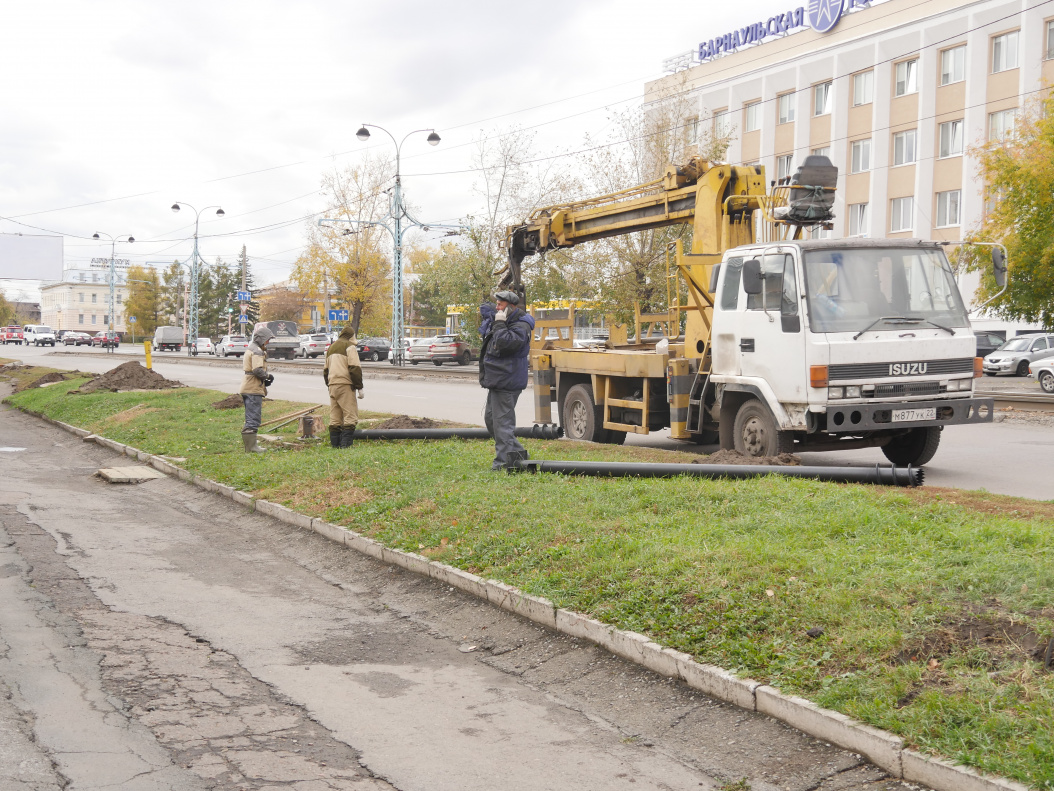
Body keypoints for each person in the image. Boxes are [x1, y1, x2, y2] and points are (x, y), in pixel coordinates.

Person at [479, 290, 536, 471]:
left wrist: (499, 324)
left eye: (500, 305)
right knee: (491, 420)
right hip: (498, 379)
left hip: (508, 381)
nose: (497, 308)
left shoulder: (521, 325)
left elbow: (506, 343)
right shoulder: (505, 321)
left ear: (511, 307)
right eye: (496, 304)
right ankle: (518, 454)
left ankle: (502, 465)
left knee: (502, 424)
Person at [323, 326, 364, 448]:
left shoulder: (331, 347)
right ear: (351, 336)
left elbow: (325, 370)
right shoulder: (349, 347)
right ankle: (346, 446)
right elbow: (354, 368)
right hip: (345, 384)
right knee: (350, 415)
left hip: (332, 384)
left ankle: (335, 445)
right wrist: (359, 387)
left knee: (335, 416)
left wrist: (329, 384)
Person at [240, 324, 274, 453]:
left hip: (248, 386)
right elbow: (257, 369)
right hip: (253, 388)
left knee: (250, 417)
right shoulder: (257, 351)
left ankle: (250, 446)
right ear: (262, 339)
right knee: (253, 418)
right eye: (267, 340)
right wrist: (267, 377)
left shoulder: (251, 348)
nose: (268, 342)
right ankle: (252, 448)